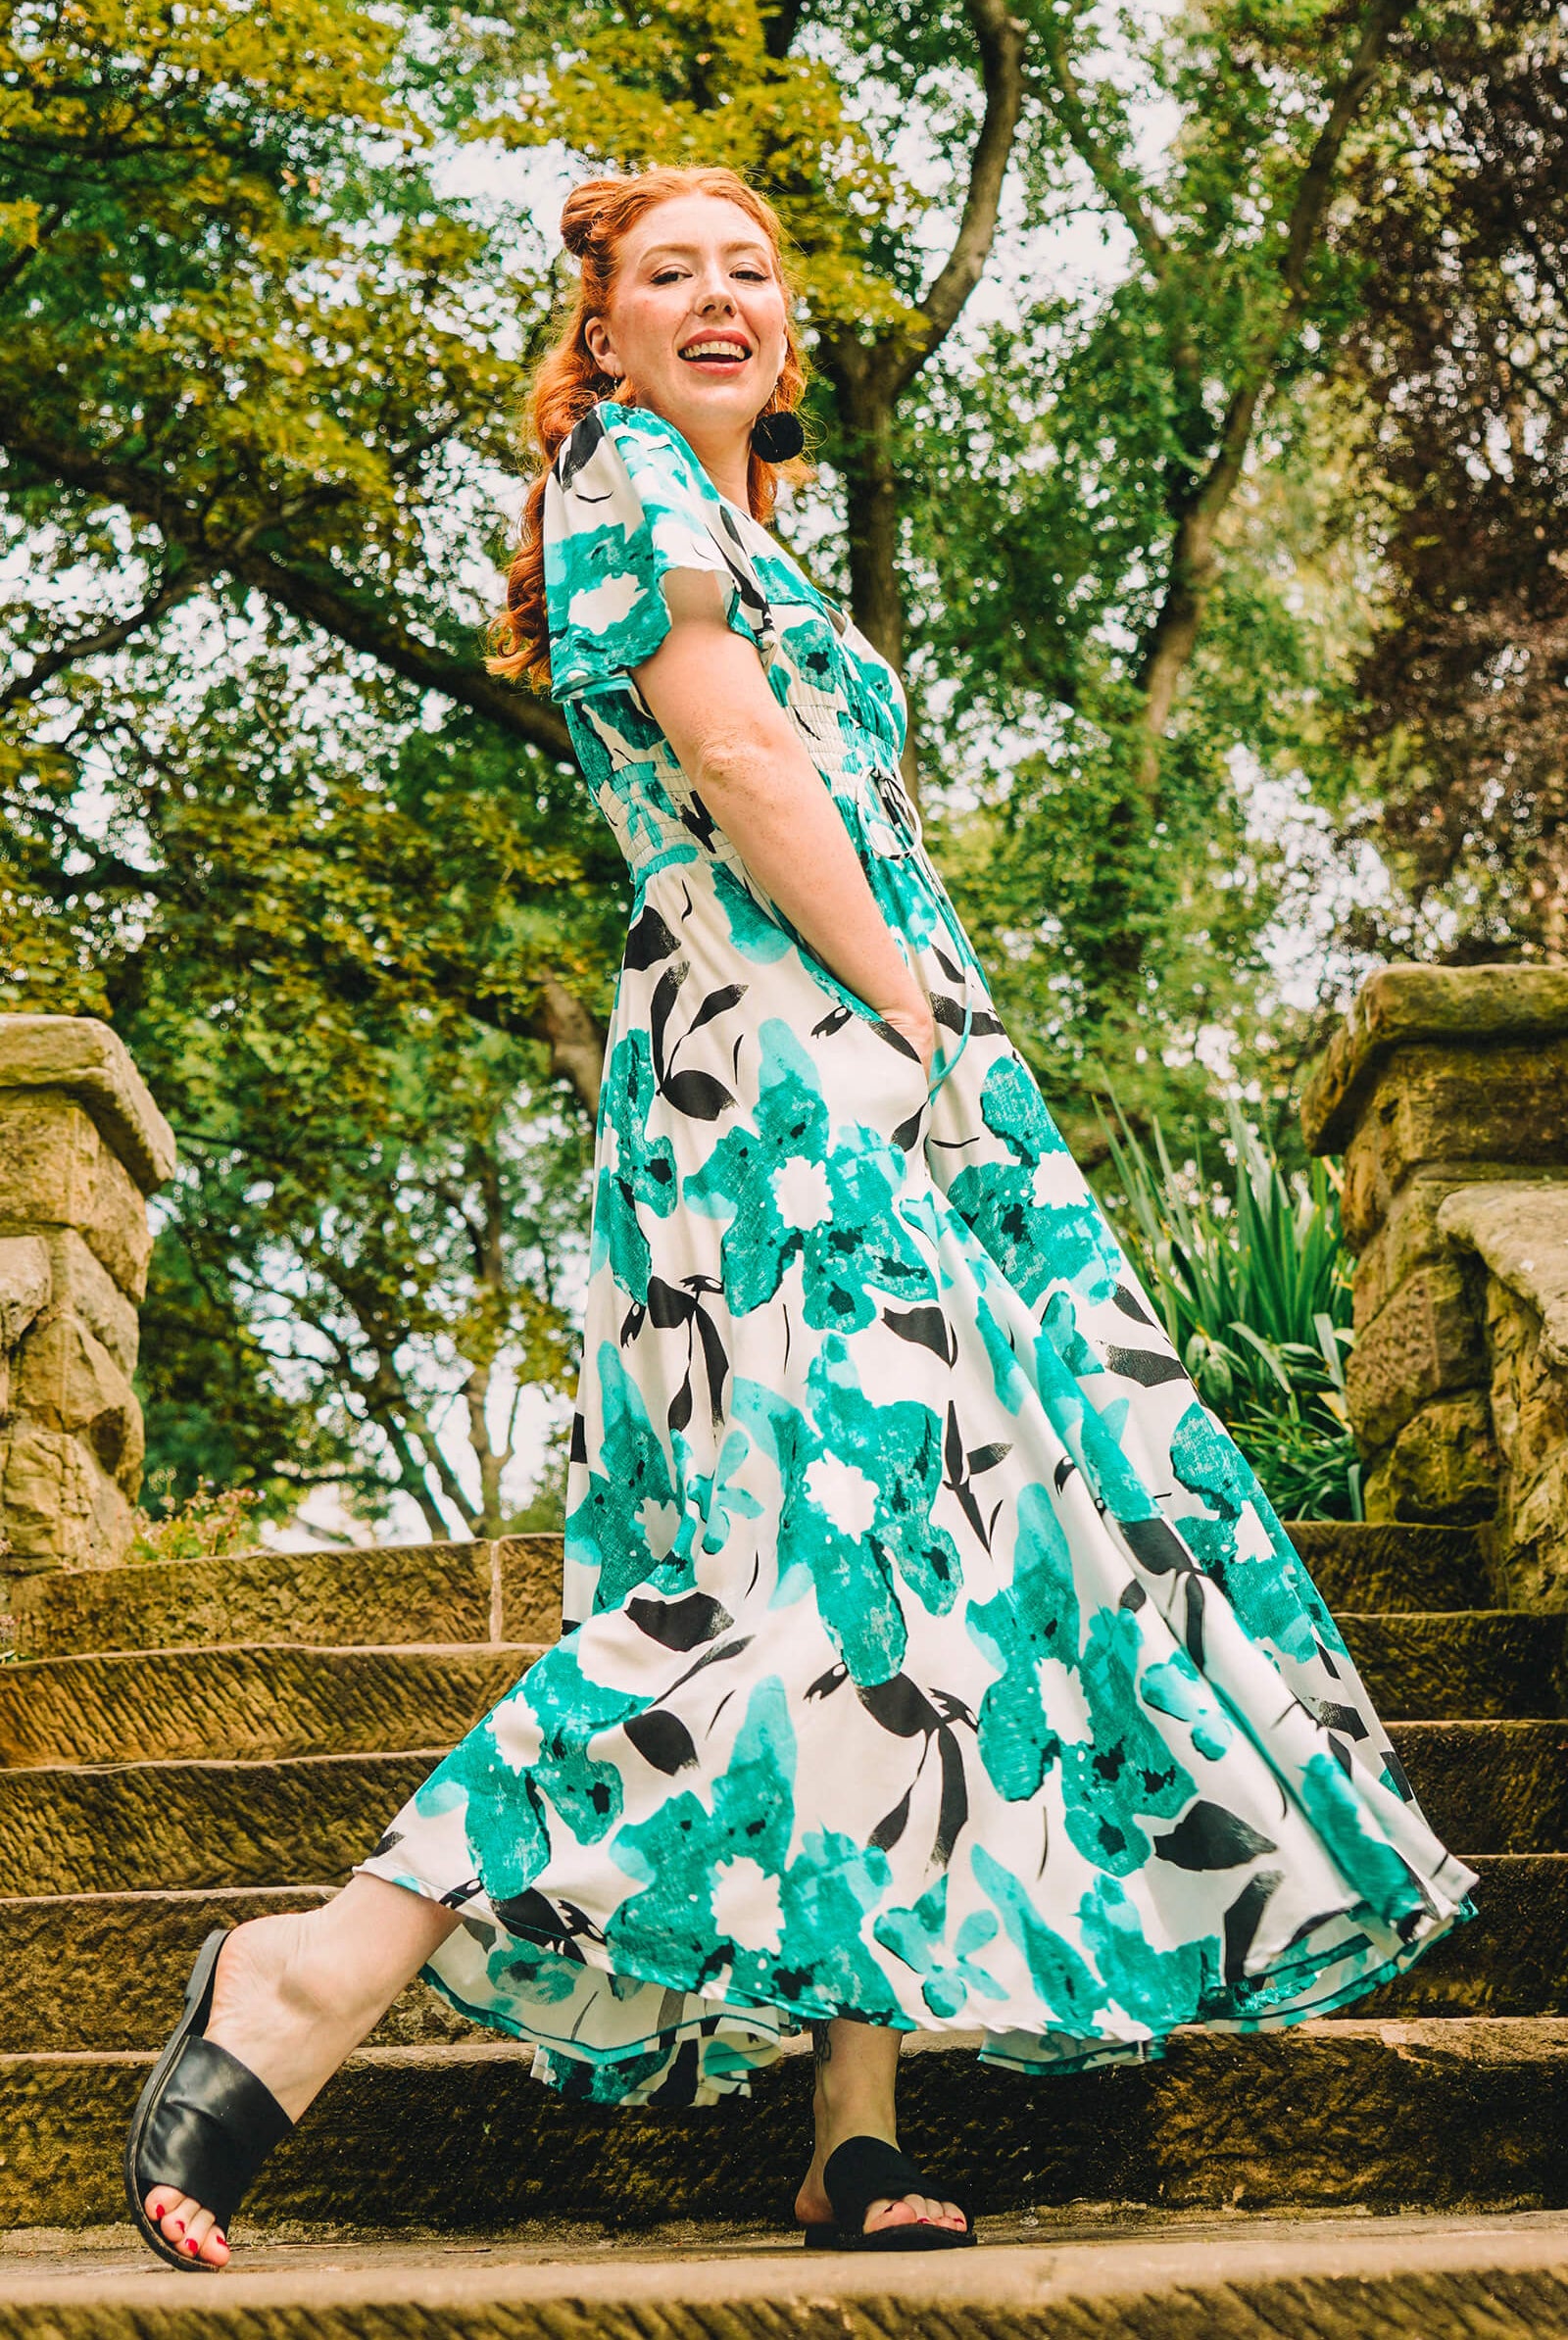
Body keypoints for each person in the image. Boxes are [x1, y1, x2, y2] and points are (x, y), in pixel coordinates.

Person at [123, 164, 1479, 2274]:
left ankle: (853, 2122)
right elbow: (747, 767)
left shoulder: (746, 527)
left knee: (912, 1573)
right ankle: (317, 1964)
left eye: (749, 269)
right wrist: (916, 1010)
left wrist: (934, 1056)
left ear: (786, 324)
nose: (719, 296)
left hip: (872, 1075)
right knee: (783, 1577)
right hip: (781, 1073)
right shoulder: (628, 478)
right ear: (604, 333)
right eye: (668, 272)